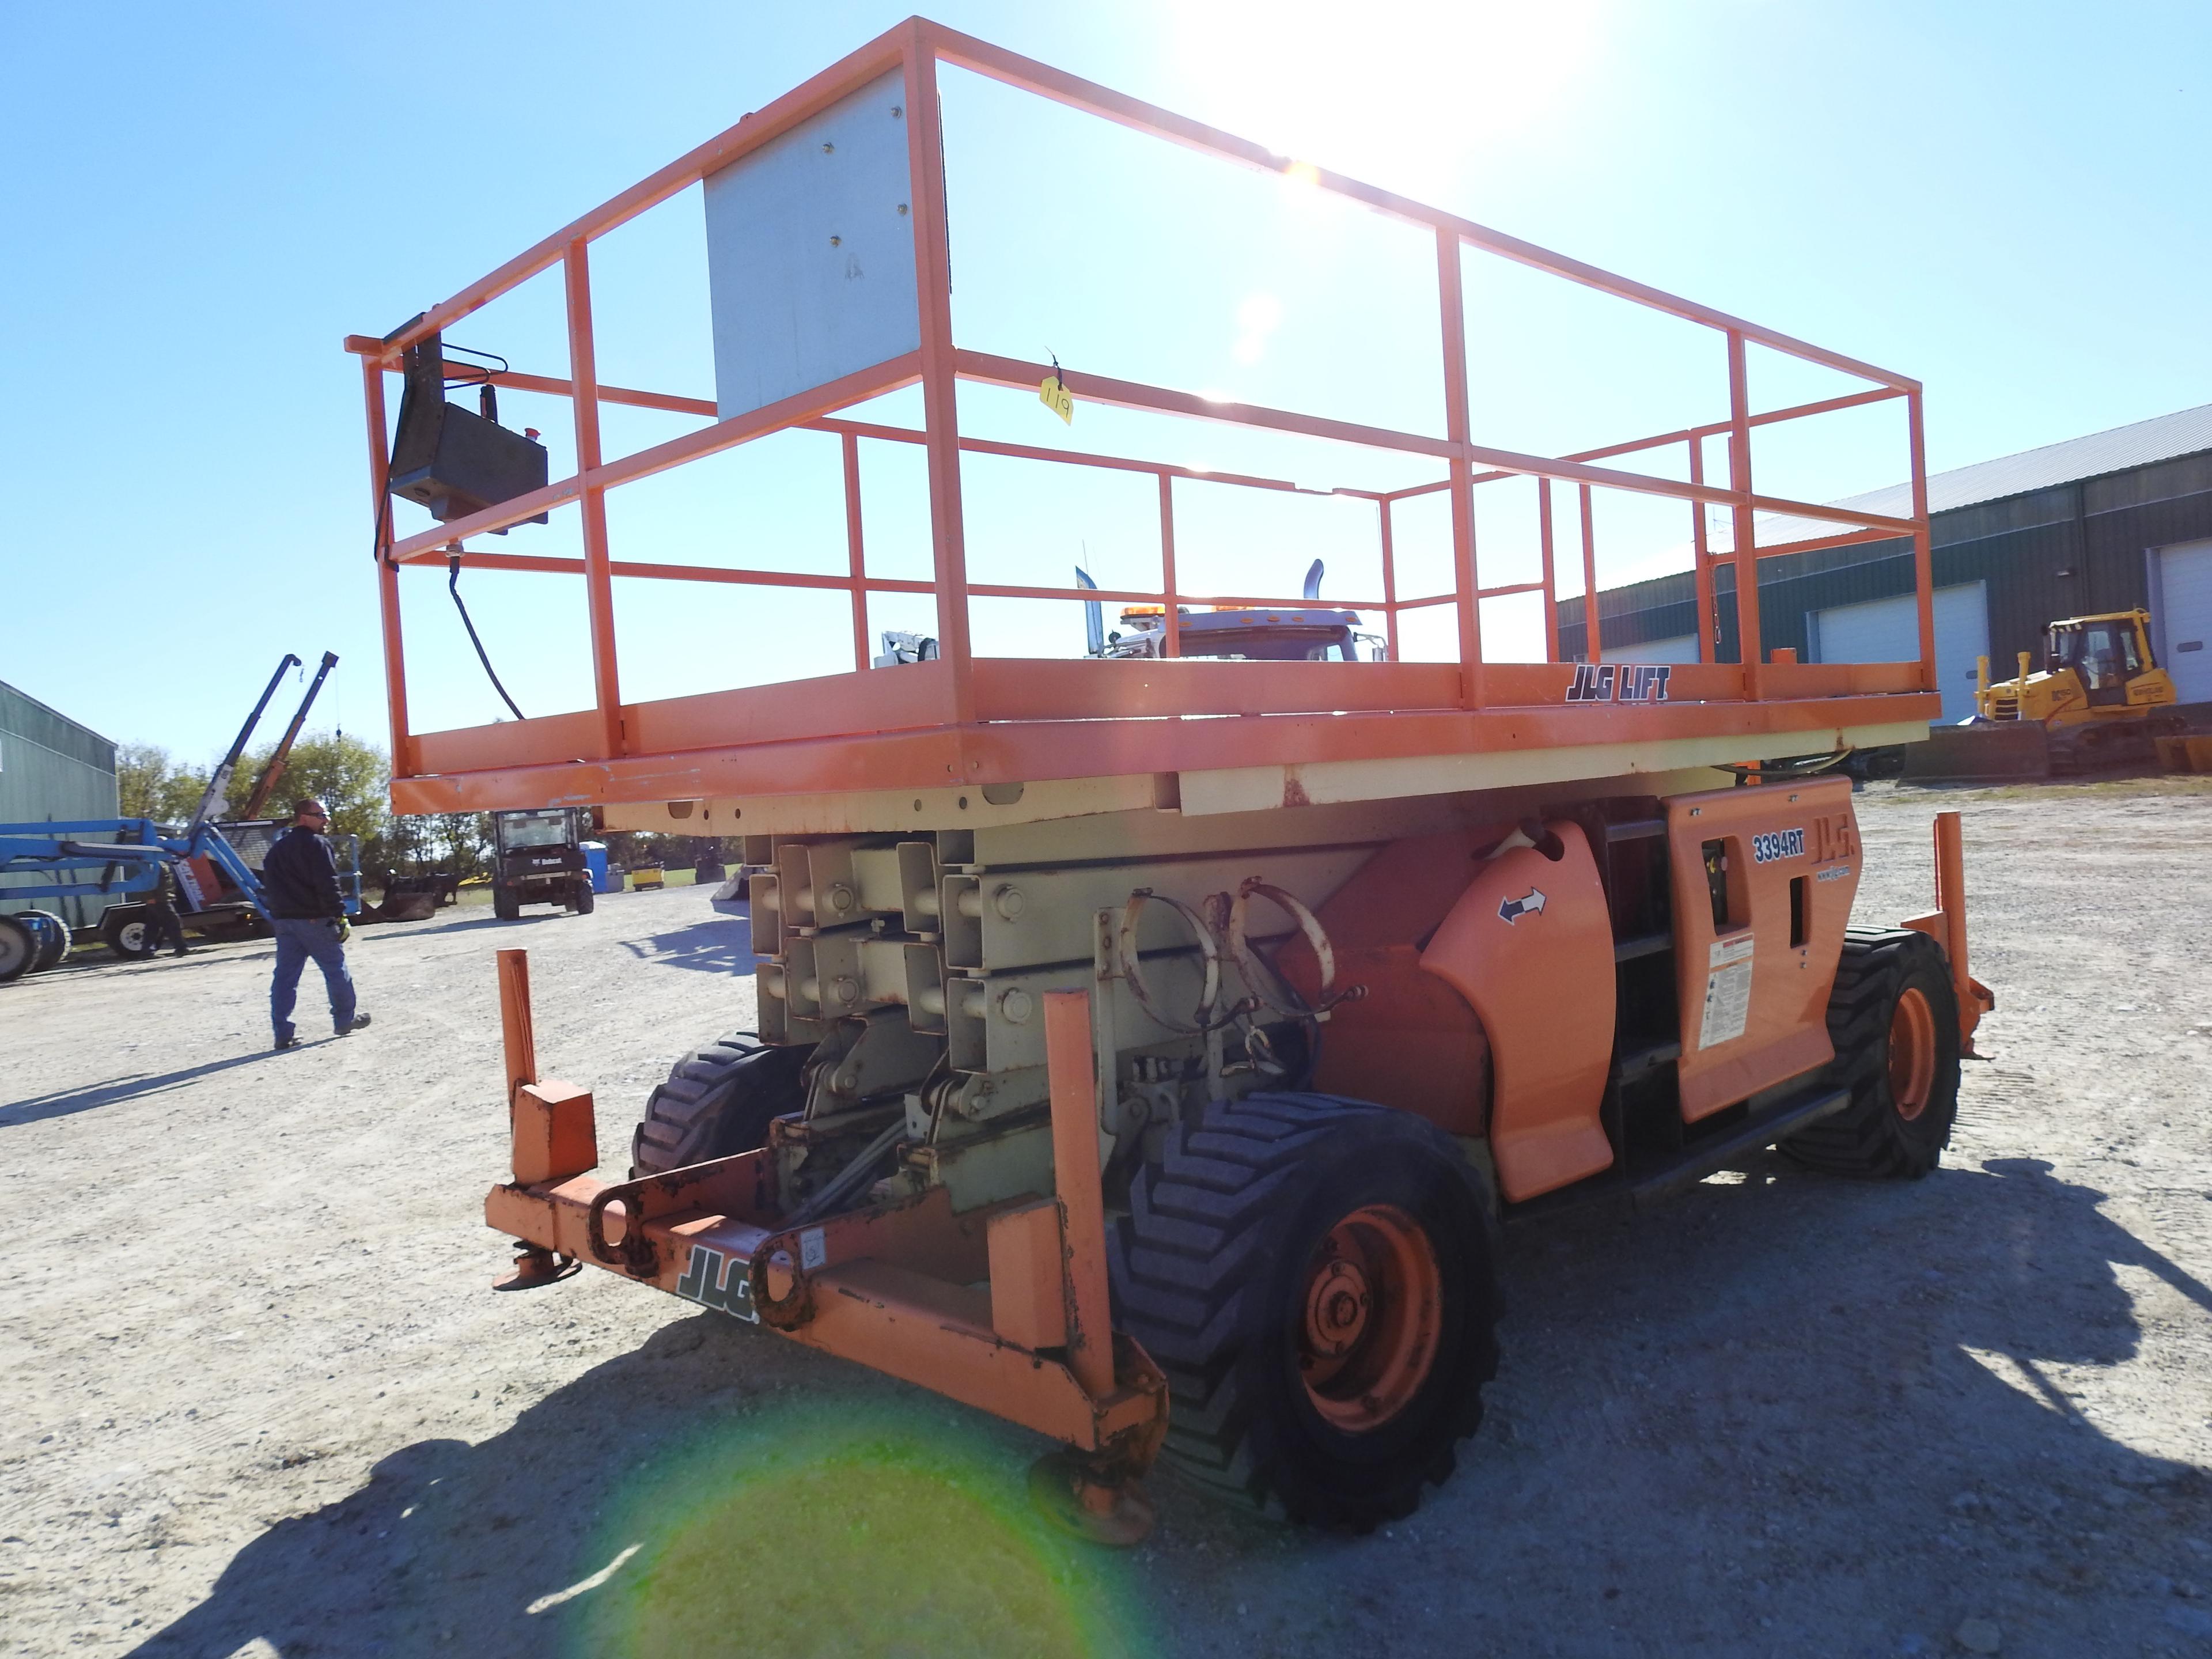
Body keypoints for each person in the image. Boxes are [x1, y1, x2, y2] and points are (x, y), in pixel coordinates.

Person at [262, 797, 371, 1051]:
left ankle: (282, 1032)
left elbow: (270, 886)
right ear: (303, 817)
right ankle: (344, 1020)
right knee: (336, 969)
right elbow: (327, 883)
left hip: (285, 922)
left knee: (285, 978)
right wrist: (338, 915)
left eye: (326, 814)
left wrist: (279, 915)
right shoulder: (317, 845)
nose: (326, 819)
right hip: (314, 920)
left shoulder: (276, 850)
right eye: (320, 815)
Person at [147, 863, 190, 958]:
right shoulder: (153, 863)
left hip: (162, 898)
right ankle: (181, 949)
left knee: (153, 926)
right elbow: (147, 881)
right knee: (173, 922)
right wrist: (149, 897)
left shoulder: (160, 863)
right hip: (159, 900)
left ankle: (146, 952)